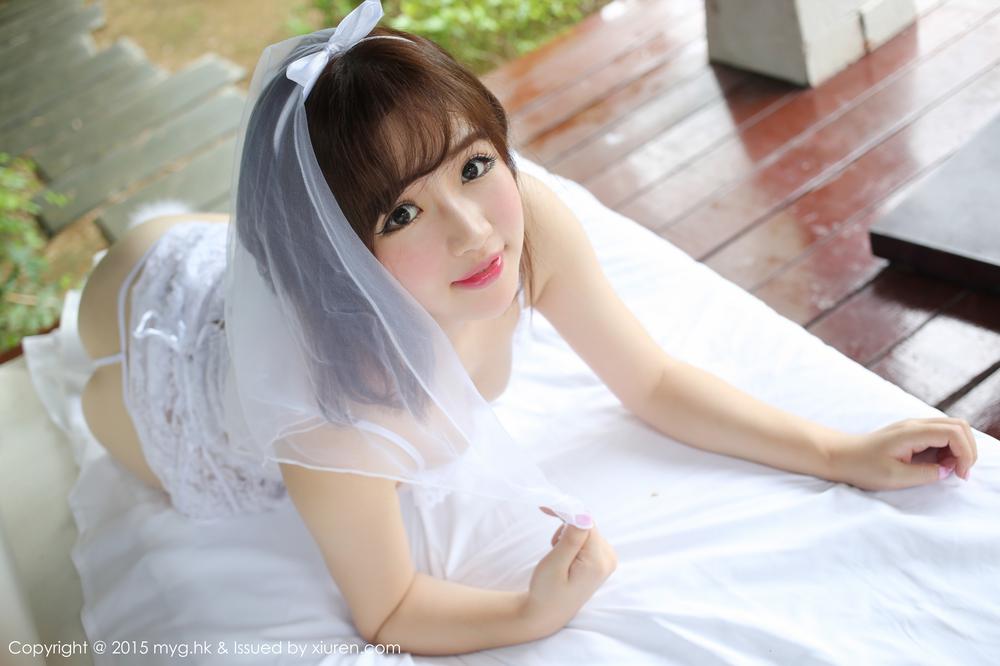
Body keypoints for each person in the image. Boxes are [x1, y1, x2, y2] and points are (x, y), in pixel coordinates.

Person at [74, 0, 978, 657]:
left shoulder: (529, 223)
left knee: (211, 239)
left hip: (221, 259)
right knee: (98, 379)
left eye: (473, 165)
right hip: (167, 377)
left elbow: (653, 382)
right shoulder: (335, 395)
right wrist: (530, 612)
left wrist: (839, 452)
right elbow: (387, 610)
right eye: (401, 214)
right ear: (336, 255)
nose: (473, 232)